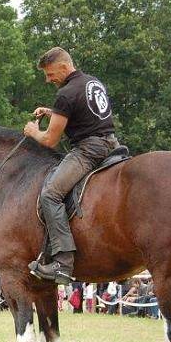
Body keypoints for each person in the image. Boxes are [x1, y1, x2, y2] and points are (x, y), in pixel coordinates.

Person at [23, 47, 121, 284]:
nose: (48, 80)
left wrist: (33, 131)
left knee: (50, 195)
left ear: (64, 67)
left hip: (89, 151)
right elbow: (86, 113)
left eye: (50, 74)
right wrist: (53, 112)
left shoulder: (66, 94)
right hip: (112, 144)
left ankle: (62, 264)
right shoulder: (91, 82)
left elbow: (50, 140)